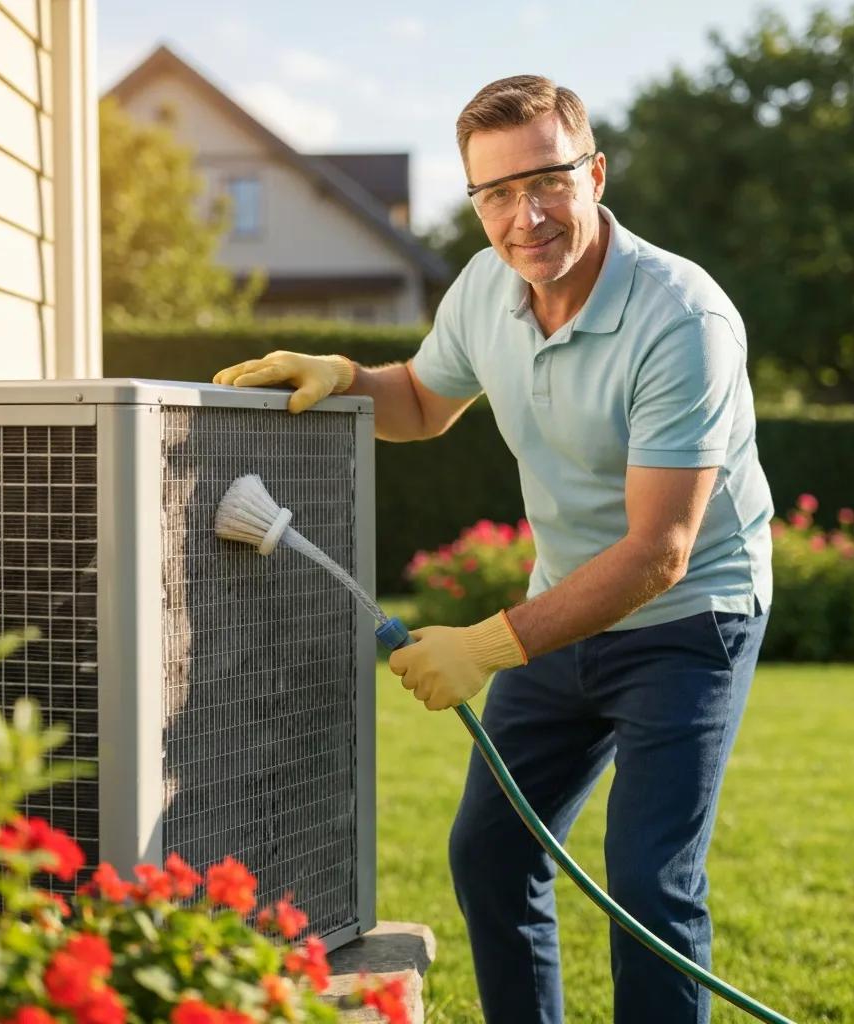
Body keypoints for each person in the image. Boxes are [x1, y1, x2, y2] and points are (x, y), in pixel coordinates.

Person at [213, 74, 774, 1024]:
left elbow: (658, 553)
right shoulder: (486, 289)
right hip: (565, 606)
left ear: (593, 173)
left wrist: (484, 646)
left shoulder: (683, 321)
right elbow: (426, 401)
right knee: (492, 852)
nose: (526, 217)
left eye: (546, 181)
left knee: (648, 886)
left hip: (688, 621)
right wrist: (347, 374)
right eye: (497, 194)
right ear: (474, 202)